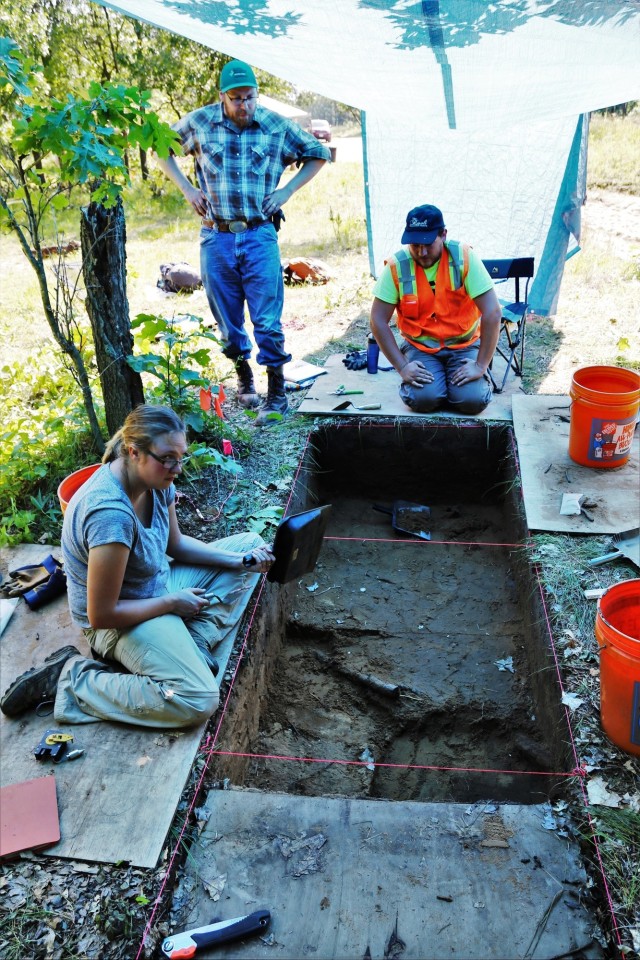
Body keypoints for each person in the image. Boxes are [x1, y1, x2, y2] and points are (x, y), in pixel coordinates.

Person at [0, 405, 274, 728]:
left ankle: (194, 639)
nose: (178, 467)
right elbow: (100, 614)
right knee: (197, 697)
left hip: (154, 587)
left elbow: (176, 545)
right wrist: (172, 603)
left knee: (247, 544)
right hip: (115, 622)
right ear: (133, 452)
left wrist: (242, 561)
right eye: (168, 458)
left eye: (181, 456)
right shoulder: (110, 515)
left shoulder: (157, 481)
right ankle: (72, 680)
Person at [155, 60, 330, 425]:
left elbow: (319, 153)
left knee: (267, 320)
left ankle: (277, 393)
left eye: (249, 98)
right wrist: (187, 189)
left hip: (259, 234)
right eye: (236, 99)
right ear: (222, 96)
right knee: (229, 321)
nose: (243, 106)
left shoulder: (274, 125)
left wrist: (287, 190)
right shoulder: (201, 122)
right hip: (215, 236)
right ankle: (244, 377)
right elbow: (160, 146)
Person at [370, 204, 502, 414]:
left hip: (463, 346)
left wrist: (480, 365)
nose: (421, 252)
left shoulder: (463, 258)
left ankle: (453, 388)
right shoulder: (397, 266)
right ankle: (441, 387)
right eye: (415, 245)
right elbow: (377, 320)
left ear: (443, 234)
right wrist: (402, 366)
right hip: (421, 349)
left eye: (428, 244)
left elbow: (493, 313)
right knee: (424, 400)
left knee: (472, 401)